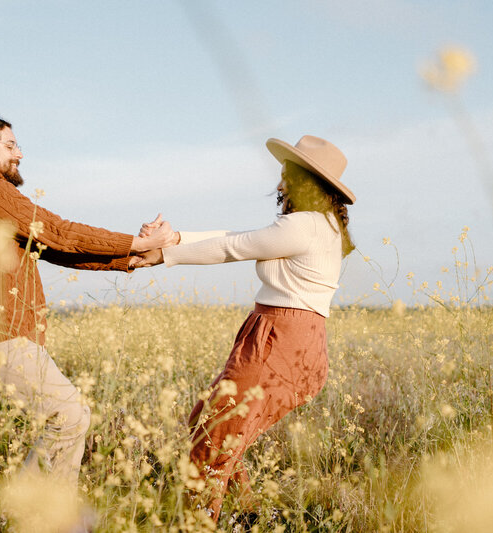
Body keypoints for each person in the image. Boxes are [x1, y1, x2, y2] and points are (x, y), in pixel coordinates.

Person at [0, 110, 172, 488]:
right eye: (10, 144)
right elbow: (58, 231)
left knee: (71, 414)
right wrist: (140, 242)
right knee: (68, 415)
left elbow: (54, 248)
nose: (20, 153)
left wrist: (130, 259)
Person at [136, 135, 356, 523]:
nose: (281, 182)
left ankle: (201, 523)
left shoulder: (304, 225)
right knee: (212, 425)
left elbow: (232, 247)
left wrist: (161, 255)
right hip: (284, 336)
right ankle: (244, 516)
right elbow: (241, 237)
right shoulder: (319, 225)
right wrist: (175, 238)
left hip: (280, 339)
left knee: (214, 435)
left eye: (288, 174)